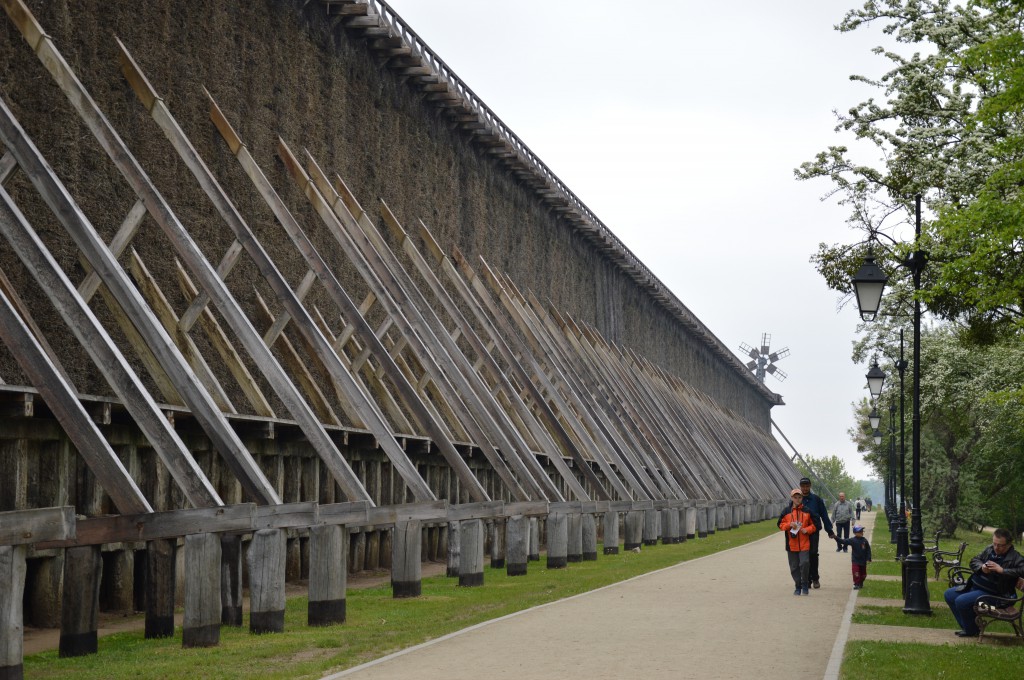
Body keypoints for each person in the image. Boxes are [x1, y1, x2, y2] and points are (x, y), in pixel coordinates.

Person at [943, 528, 1024, 637]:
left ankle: (971, 630)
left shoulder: (1015, 557)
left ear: (1009, 544)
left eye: (1000, 545)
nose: (996, 547)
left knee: (961, 601)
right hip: (975, 587)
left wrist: (1002, 570)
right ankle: (969, 627)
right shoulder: (989, 550)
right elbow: (974, 560)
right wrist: (982, 567)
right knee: (949, 594)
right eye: (994, 543)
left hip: (997, 595)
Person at [795, 477, 834, 588]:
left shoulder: (816, 499)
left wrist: (829, 530)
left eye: (807, 486)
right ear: (800, 487)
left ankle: (815, 578)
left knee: (813, 554)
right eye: (803, 486)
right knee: (803, 556)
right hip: (800, 532)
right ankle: (806, 580)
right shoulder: (796, 499)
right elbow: (790, 515)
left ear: (810, 486)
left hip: (813, 531)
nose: (805, 488)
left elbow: (824, 515)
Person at [778, 488, 817, 595]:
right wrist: (789, 525)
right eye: (795, 497)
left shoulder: (807, 511)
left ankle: (805, 584)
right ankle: (797, 586)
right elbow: (780, 525)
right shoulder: (786, 511)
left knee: (804, 563)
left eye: (799, 497)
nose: (797, 499)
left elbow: (815, 525)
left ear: (802, 498)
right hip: (791, 544)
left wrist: (807, 530)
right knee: (794, 567)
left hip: (805, 543)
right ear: (792, 498)